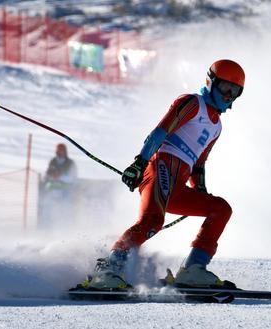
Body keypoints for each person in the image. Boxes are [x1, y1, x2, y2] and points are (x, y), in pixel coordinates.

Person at [84, 59, 245, 290]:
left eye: (235, 91)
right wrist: (139, 163)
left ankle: (193, 269)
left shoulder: (217, 126)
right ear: (211, 82)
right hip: (160, 169)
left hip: (178, 185)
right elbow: (160, 131)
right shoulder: (192, 103)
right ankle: (108, 269)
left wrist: (200, 192)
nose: (229, 96)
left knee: (220, 209)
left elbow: (199, 163)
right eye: (225, 88)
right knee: (152, 221)